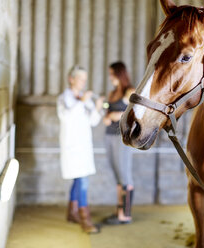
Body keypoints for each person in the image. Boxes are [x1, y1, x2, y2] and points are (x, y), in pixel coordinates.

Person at [57, 65, 104, 234]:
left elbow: (93, 121)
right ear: (71, 79)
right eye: (80, 79)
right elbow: (66, 117)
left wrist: (97, 107)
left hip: (84, 146)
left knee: (78, 180)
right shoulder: (64, 98)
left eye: (85, 79)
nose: (83, 82)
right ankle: (85, 219)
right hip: (72, 147)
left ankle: (72, 213)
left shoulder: (85, 98)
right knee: (82, 181)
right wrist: (82, 102)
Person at [103, 62, 135, 225]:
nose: (110, 78)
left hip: (122, 137)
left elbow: (137, 113)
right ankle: (119, 211)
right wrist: (107, 115)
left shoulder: (130, 91)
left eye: (112, 74)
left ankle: (126, 214)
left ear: (120, 74)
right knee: (117, 174)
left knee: (125, 174)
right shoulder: (112, 93)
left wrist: (118, 115)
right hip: (109, 135)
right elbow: (108, 111)